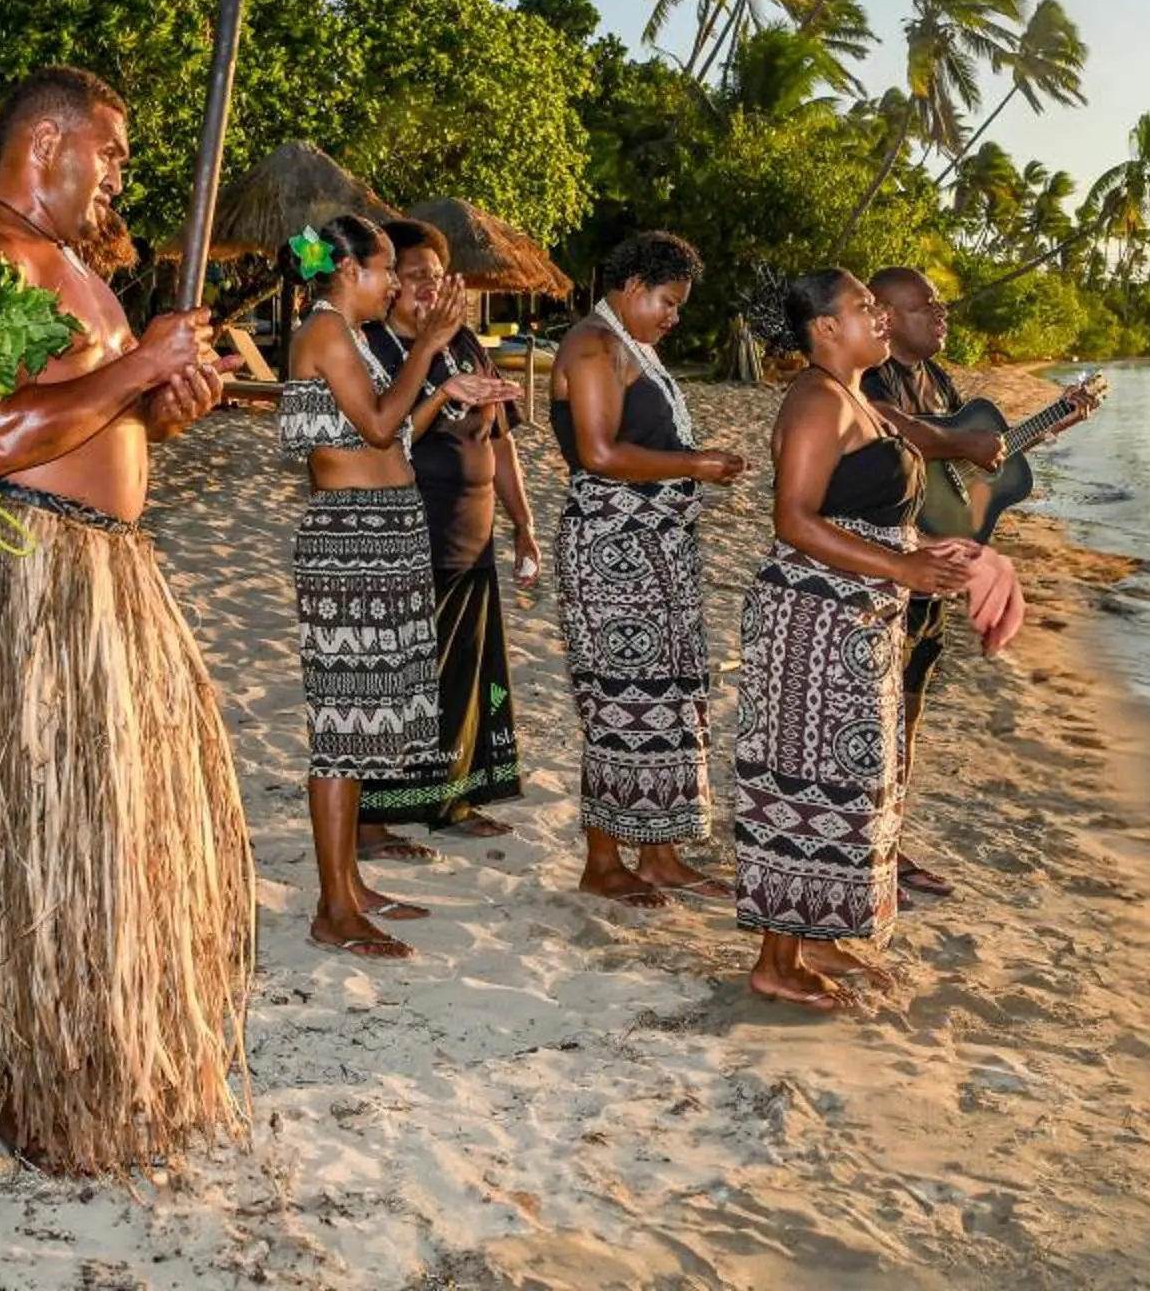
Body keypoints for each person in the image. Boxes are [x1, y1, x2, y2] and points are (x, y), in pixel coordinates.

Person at [0, 65, 247, 1178]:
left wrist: (164, 399)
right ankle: (43, 1087)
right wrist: (139, 362)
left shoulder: (79, 270)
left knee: (109, 832)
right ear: (47, 142)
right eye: (112, 152)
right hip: (32, 580)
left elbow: (101, 417)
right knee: (52, 834)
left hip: (106, 574)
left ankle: (92, 1064)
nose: (120, 174)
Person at [733, 269, 981, 1010]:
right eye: (864, 307)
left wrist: (918, 555)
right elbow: (796, 521)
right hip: (813, 623)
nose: (877, 315)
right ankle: (775, 961)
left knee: (846, 785)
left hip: (859, 624)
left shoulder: (857, 400)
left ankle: (812, 935)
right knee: (801, 783)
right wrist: (900, 562)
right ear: (825, 329)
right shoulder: (814, 399)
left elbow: (868, 508)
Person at [279, 214, 507, 959]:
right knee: (343, 733)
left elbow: (393, 429)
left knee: (363, 722)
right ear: (351, 272)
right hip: (351, 538)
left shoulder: (346, 336)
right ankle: (332, 907)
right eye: (384, 274)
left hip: (378, 529)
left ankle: (350, 886)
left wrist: (447, 391)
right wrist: (434, 348)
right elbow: (377, 428)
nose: (393, 288)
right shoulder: (325, 333)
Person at [856, 266, 1095, 904]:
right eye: (925, 306)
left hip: (938, 567)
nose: (942, 315)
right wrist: (965, 442)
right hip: (889, 560)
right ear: (883, 313)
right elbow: (897, 430)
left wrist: (1050, 424)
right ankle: (863, 852)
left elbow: (969, 466)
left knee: (908, 711)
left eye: (940, 306)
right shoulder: (868, 373)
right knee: (873, 717)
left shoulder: (936, 378)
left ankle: (889, 844)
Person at [549, 229, 748, 908]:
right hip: (614, 551)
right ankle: (604, 862)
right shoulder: (593, 345)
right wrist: (695, 465)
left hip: (653, 548)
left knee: (663, 702)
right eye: (667, 301)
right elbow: (599, 453)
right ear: (631, 286)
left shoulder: (634, 348)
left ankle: (658, 853)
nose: (673, 316)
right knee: (619, 703)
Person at [366, 218, 531, 835]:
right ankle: (375, 820)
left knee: (463, 678)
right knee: (398, 679)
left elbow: (502, 439)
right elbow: (385, 434)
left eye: (437, 278)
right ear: (386, 285)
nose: (429, 290)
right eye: (414, 278)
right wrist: (428, 358)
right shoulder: (375, 349)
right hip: (409, 534)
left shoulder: (465, 344)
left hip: (473, 536)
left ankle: (452, 800)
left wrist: (523, 521)